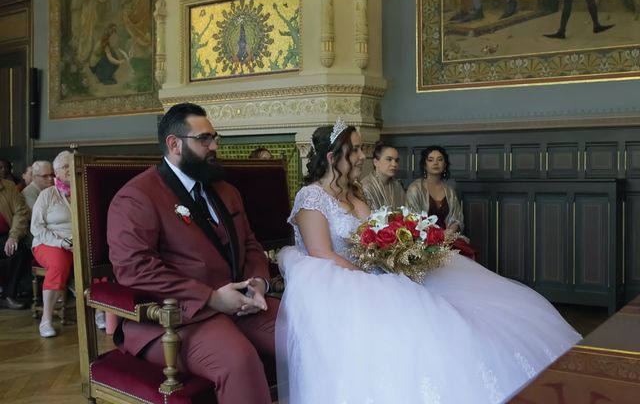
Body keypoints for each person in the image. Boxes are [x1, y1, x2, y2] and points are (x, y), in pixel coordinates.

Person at [276, 119, 581, 404]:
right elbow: (322, 254)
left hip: (376, 267)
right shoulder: (311, 197)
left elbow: (373, 233)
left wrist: (399, 252)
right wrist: (371, 276)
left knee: (462, 299)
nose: (361, 156)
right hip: (338, 278)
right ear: (332, 157)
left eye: (361, 149)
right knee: (418, 323)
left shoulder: (355, 192)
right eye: (354, 150)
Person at [108, 102, 278, 404]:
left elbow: (250, 243)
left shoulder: (225, 189)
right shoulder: (137, 197)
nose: (214, 146)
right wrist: (211, 298)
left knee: (306, 333)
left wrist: (258, 284)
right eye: (204, 139)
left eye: (215, 137)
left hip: (243, 304)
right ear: (174, 144)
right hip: (176, 319)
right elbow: (135, 270)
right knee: (238, 362)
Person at [31, 151, 76, 338]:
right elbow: (36, 228)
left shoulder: (84, 190)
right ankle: (46, 320)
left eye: (71, 165)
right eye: (64, 167)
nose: (69, 170)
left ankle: (100, 313)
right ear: (56, 173)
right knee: (59, 263)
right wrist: (60, 242)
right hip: (48, 242)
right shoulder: (47, 195)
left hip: (77, 243)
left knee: (98, 260)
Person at [405, 145, 477, 260]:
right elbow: (413, 220)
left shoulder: (449, 191)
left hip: (448, 238)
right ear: (424, 164)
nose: (435, 163)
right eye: (430, 159)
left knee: (467, 252)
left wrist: (449, 232)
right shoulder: (415, 189)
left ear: (445, 165)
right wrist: (436, 235)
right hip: (424, 240)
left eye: (440, 159)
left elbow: (457, 218)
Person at [0, 176, 30, 310]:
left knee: (18, 252)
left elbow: (21, 212)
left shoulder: (8, 186)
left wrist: (14, 236)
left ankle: (8, 296)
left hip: (6, 234)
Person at [359, 141, 405, 209]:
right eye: (389, 159)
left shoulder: (397, 185)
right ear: (376, 162)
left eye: (396, 160)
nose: (394, 164)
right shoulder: (365, 187)